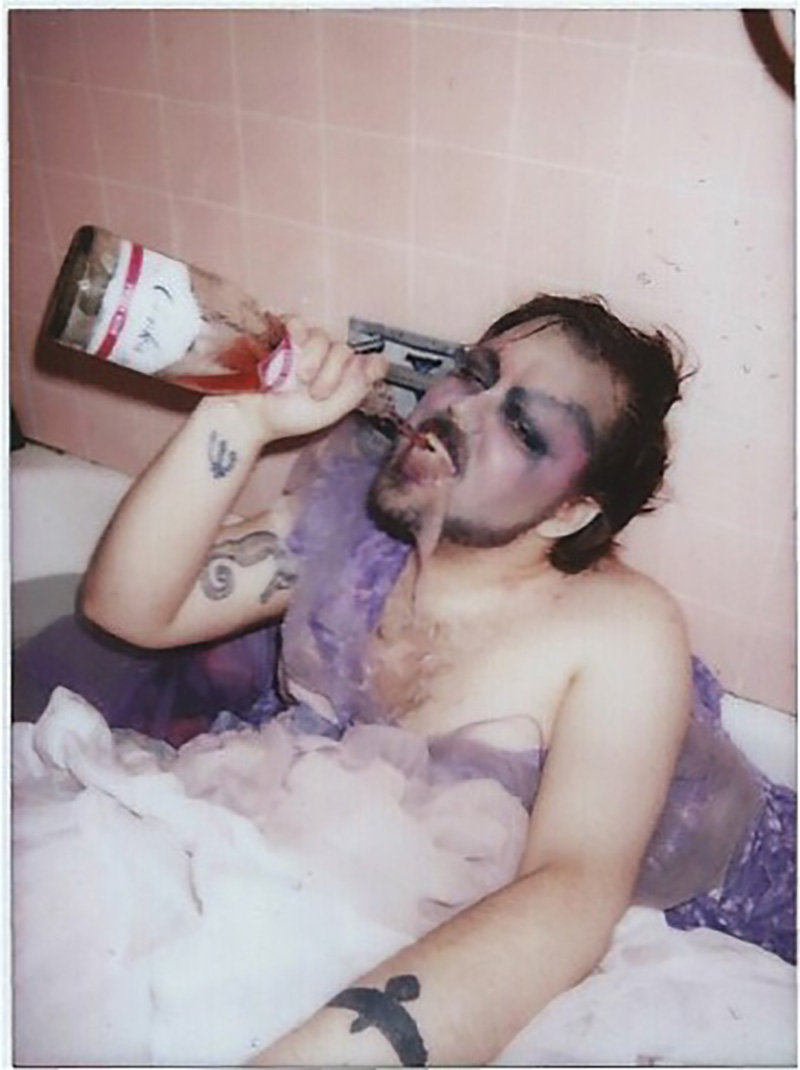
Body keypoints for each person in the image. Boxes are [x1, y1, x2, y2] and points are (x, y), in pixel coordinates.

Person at [22, 295, 796, 1066]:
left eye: (523, 427)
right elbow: (127, 609)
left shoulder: (618, 630)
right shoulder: (352, 524)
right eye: (474, 373)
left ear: (569, 513)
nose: (458, 409)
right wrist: (241, 416)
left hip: (613, 925)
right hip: (343, 859)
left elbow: (571, 892)